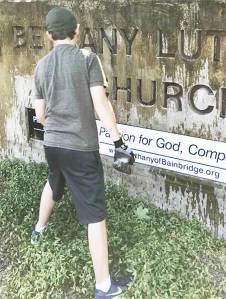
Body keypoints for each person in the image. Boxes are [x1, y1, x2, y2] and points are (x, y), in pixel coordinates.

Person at [31, 7, 134, 299]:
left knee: (54, 180)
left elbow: (40, 115)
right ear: (76, 30)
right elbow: (101, 105)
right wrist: (118, 143)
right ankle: (104, 286)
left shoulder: (41, 66)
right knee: (94, 214)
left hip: (52, 143)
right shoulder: (87, 58)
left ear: (50, 34)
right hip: (80, 147)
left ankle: (39, 229)